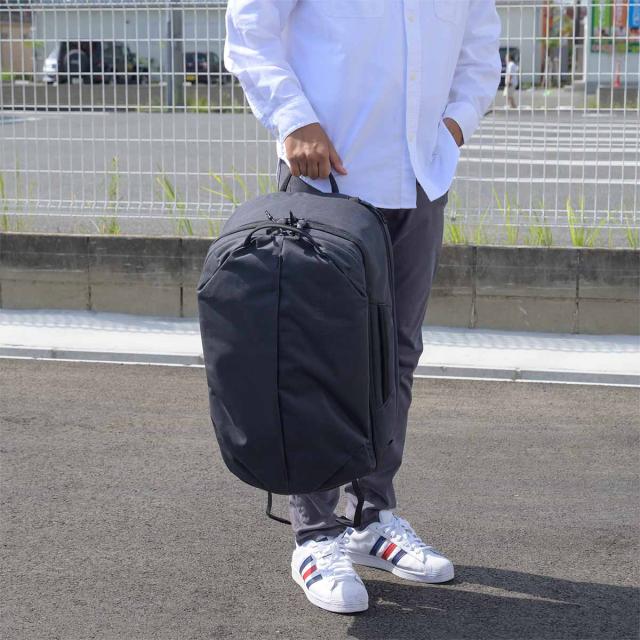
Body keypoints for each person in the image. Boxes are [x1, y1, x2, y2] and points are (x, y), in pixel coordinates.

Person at [224, 0, 501, 614]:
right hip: (327, 178)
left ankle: (371, 515)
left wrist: (453, 127)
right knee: (316, 358)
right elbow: (248, 25)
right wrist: (294, 119)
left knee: (395, 355)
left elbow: (480, 50)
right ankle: (316, 534)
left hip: (419, 178)